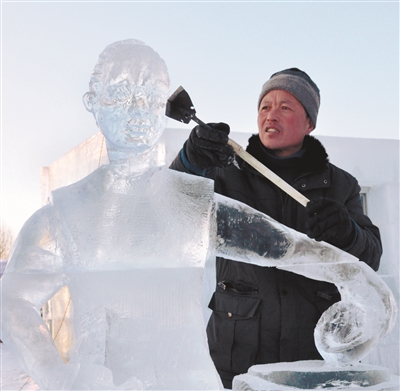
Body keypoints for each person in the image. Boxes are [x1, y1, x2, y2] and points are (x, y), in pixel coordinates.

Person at [5, 41, 375, 391]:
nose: (136, 111)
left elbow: (286, 247)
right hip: (226, 353)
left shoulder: (338, 185)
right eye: (120, 95)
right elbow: (13, 300)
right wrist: (59, 377)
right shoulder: (69, 211)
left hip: (277, 357)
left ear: (309, 121)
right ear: (93, 103)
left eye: (150, 98)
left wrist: (351, 257)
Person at [169, 67, 383, 389]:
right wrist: (190, 160)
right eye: (265, 106)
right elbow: (174, 209)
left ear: (309, 122)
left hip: (314, 366)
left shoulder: (341, 185)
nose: (272, 115)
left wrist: (348, 233)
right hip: (237, 362)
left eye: (286, 107)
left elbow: (371, 258)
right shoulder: (226, 172)